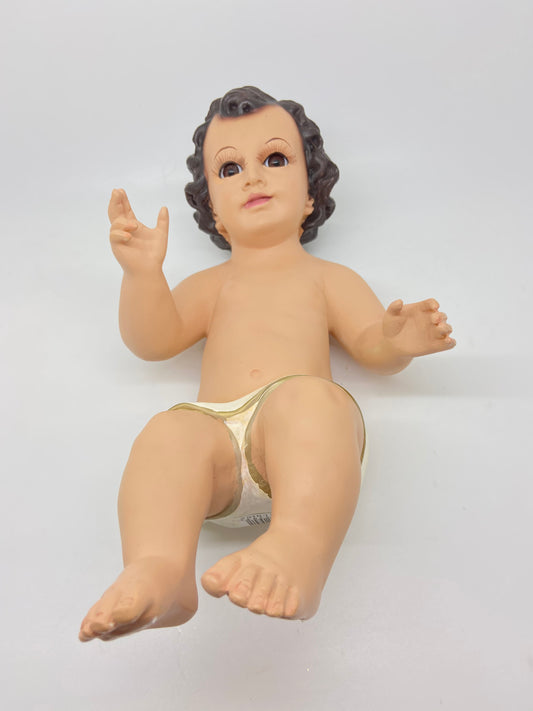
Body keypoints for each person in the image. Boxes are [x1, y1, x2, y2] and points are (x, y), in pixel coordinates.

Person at [79, 87, 455, 642]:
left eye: (275, 159)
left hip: (299, 455)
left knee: (312, 399)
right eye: (230, 169)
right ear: (214, 211)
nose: (253, 177)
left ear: (311, 193)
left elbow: (369, 345)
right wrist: (142, 276)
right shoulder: (210, 285)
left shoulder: (328, 278)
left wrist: (396, 341)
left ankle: (298, 546)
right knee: (168, 432)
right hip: (216, 456)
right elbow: (153, 340)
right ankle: (160, 566)